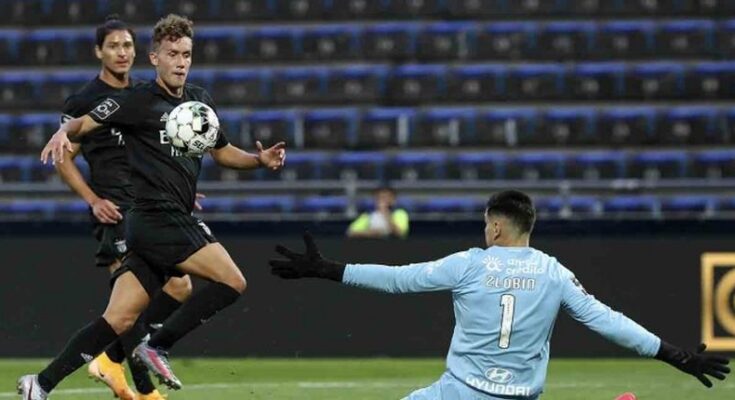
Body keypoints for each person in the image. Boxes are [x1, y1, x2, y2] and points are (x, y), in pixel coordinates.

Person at [19, 14, 286, 399]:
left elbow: (224, 154)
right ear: (154, 58)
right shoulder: (138, 100)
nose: (180, 61)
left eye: (187, 54)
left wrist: (258, 161)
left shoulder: (200, 102)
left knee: (118, 319)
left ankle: (39, 384)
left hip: (155, 224)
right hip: (158, 218)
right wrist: (63, 130)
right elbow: (86, 122)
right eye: (172, 54)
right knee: (233, 281)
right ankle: (156, 346)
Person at [270, 190, 730, 399]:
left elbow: (398, 279)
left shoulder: (471, 263)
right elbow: (608, 321)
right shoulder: (554, 273)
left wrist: (327, 269)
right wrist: (677, 357)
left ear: (494, 226)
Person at [55, 15, 190, 400]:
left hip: (151, 205)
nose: (122, 53)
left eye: (128, 45)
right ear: (99, 51)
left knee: (178, 286)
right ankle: (143, 391)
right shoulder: (84, 101)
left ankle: (109, 360)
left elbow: (158, 151)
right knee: (132, 304)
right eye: (113, 45)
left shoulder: (145, 95)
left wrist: (176, 189)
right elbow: (64, 157)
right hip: (115, 211)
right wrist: (93, 200)